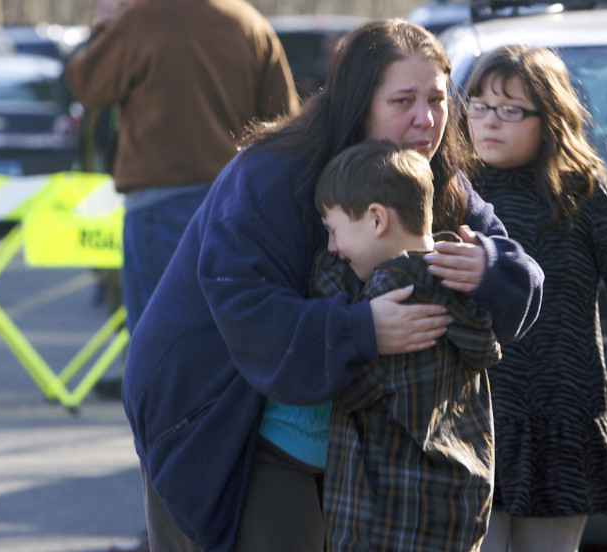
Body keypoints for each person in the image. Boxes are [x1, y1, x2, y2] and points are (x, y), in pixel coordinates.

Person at [122, 19, 544, 552]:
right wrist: (361, 330)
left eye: (437, 99)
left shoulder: (432, 176)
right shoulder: (271, 174)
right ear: (357, 102)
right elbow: (246, 307)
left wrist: (490, 266)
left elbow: (523, 281)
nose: (427, 119)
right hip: (215, 415)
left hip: (349, 440)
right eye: (404, 100)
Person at [462, 45, 607, 552]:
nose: (489, 122)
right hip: (476, 419)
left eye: (509, 110)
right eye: (478, 106)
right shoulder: (455, 191)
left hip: (565, 423)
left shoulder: (584, 190)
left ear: (550, 118)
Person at [63, 0, 300, 340]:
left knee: (158, 350)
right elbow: (285, 124)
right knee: (227, 343)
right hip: (238, 208)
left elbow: (86, 83)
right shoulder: (249, 22)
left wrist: (107, 24)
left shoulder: (141, 18)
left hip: (159, 207)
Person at [306, 139, 501, 551]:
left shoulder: (395, 290)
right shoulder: (457, 280)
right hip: (456, 510)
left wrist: (338, 311)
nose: (332, 248)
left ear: (377, 220)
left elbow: (346, 386)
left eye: (333, 230)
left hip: (391, 521)